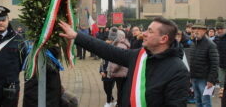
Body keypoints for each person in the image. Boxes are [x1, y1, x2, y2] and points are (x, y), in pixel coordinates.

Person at [59, 17, 190, 107]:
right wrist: (77, 36)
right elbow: (107, 50)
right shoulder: (140, 55)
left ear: (163, 39)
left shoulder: (178, 70)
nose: (143, 33)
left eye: (149, 31)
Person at [189, 19, 219, 107]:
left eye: (199, 29)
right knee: (198, 101)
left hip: (205, 80)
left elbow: (215, 64)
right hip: (194, 78)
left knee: (206, 103)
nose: (196, 31)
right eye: (194, 28)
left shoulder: (210, 44)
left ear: (204, 30)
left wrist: (211, 80)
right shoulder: (194, 43)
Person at [108, 29, 130, 107]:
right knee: (120, 89)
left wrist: (113, 69)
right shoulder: (121, 44)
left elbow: (119, 61)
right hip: (121, 72)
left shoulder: (121, 45)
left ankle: (120, 104)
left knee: (120, 90)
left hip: (120, 72)